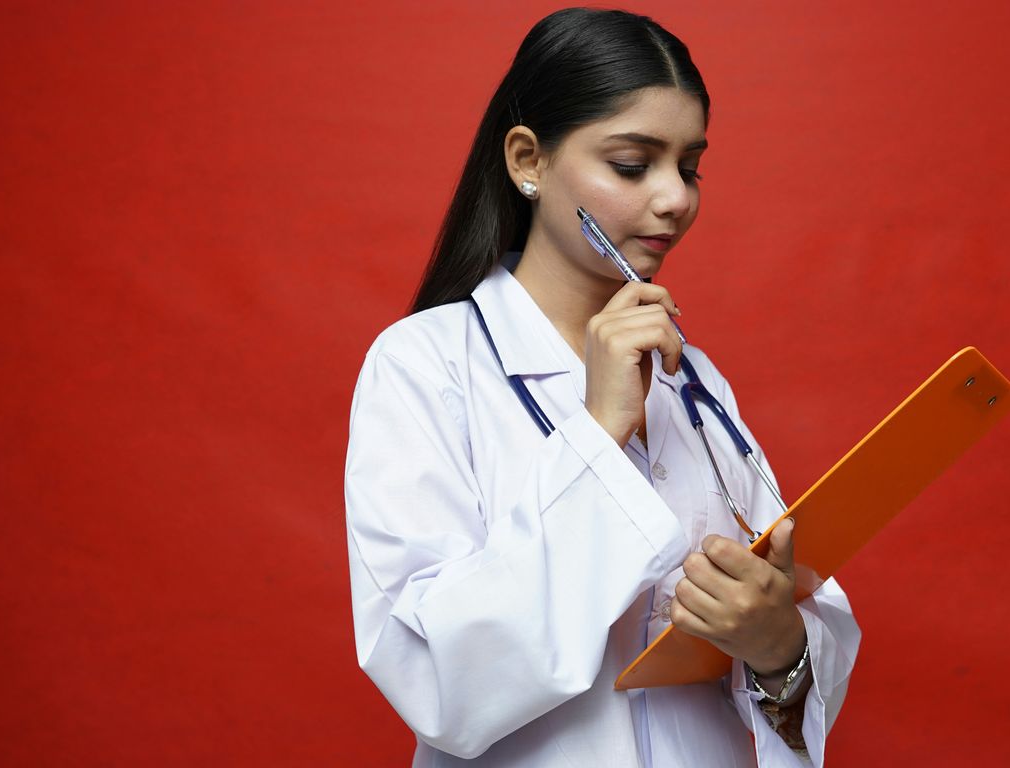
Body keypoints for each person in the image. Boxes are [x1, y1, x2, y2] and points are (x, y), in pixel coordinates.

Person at [344, 8, 860, 766]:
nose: (675, 198)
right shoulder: (424, 365)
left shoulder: (695, 381)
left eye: (689, 167)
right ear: (529, 160)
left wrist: (778, 645)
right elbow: (438, 685)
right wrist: (596, 433)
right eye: (631, 164)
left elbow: (797, 625)